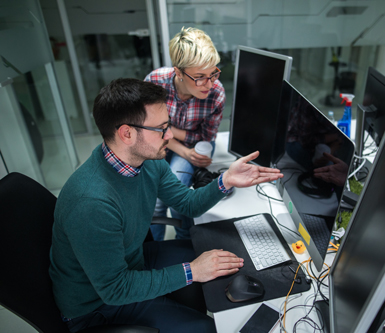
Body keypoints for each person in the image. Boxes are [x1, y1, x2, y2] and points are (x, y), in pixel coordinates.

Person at [49, 78, 283, 332]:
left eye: (168, 124)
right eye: (162, 129)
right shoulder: (91, 203)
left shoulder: (147, 160)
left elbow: (187, 203)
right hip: (97, 305)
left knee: (223, 252)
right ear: (126, 134)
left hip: (133, 260)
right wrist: (192, 271)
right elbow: (115, 289)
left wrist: (225, 181)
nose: (170, 136)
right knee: (207, 328)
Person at [144, 27, 225, 241]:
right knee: (155, 203)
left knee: (178, 193)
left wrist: (171, 131)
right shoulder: (155, 81)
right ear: (178, 72)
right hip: (161, 141)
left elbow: (205, 137)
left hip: (191, 144)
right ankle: (155, 248)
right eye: (200, 77)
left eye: (213, 73)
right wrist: (182, 147)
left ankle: (185, 243)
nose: (209, 84)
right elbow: (148, 130)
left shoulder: (216, 93)